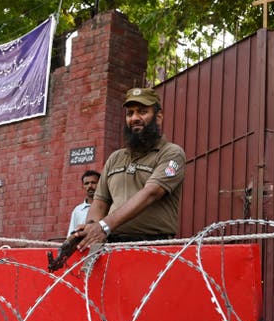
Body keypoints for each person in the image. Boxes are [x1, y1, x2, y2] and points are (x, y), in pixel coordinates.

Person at [75, 87, 185, 248]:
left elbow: (151, 193)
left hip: (153, 246)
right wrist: (91, 227)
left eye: (142, 112)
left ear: (158, 117)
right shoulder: (115, 158)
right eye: (130, 113)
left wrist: (104, 226)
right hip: (111, 244)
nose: (135, 118)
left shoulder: (171, 153)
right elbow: (100, 202)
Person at [67, 170, 100, 237]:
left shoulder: (108, 207)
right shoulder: (78, 210)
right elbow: (71, 234)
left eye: (93, 183)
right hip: (82, 246)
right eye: (86, 183)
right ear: (83, 186)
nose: (90, 186)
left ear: (100, 185)